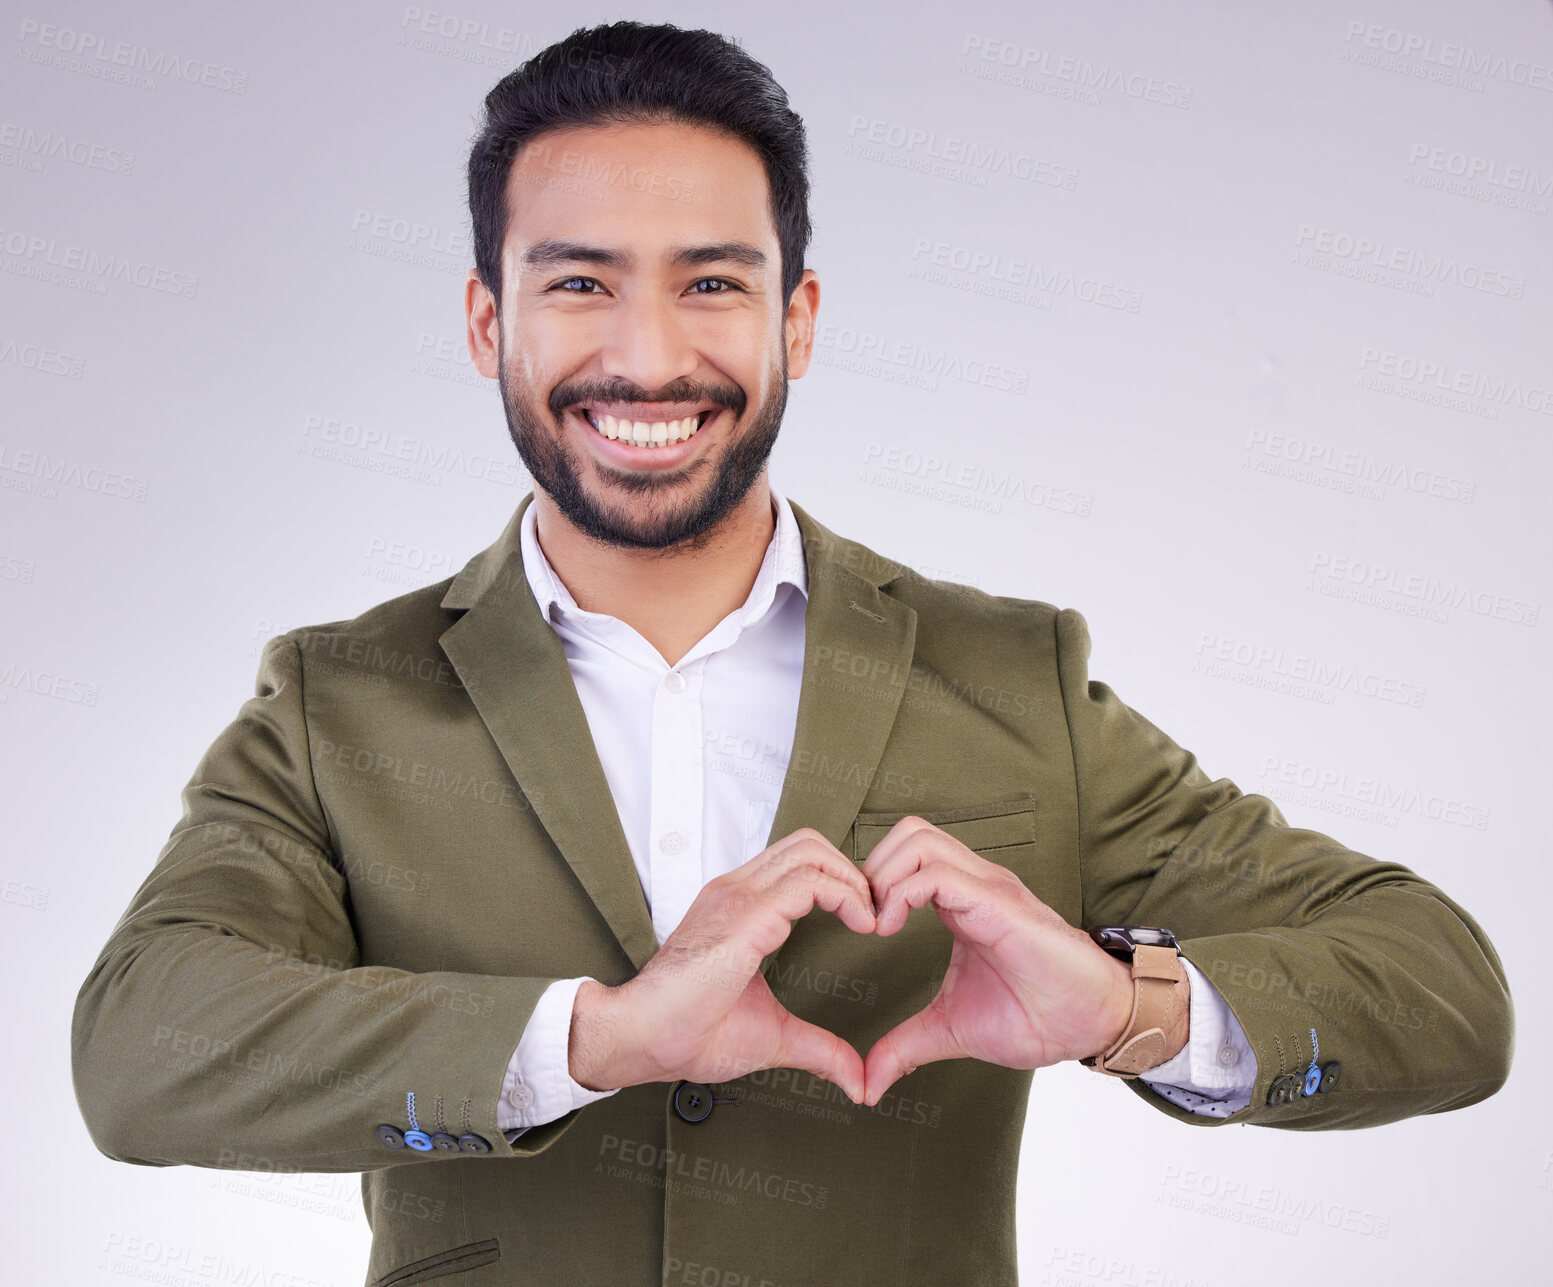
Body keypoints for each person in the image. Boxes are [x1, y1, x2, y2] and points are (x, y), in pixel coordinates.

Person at [72, 21, 1513, 1287]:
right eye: (579, 284)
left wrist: (1126, 1008)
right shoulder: (343, 702)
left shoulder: (1007, 680)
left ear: (796, 320)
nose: (648, 356)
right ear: (484, 321)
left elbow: (1440, 991)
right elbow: (142, 1053)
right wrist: (594, 1038)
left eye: (710, 283)